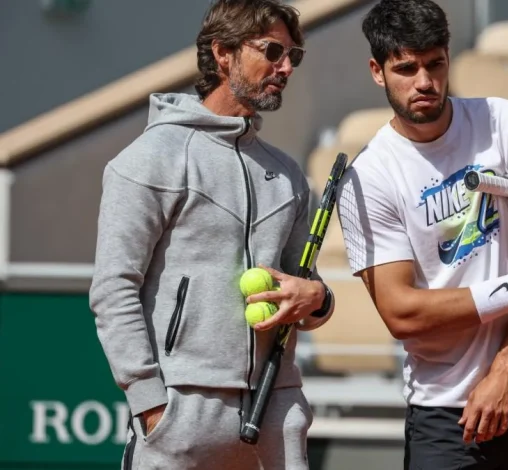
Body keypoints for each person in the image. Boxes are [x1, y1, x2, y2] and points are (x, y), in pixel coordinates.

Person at [335, 0, 508, 469]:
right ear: (378, 71)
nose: (425, 82)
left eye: (435, 64)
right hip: (444, 416)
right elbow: (401, 313)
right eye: (406, 68)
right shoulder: (366, 178)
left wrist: (504, 372)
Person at [88, 1, 335, 468]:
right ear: (223, 53)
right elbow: (112, 290)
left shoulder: (287, 176)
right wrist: (152, 405)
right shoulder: (148, 159)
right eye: (273, 51)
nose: (286, 67)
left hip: (276, 415)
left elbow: (309, 297)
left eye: (294, 56)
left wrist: (318, 299)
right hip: (180, 417)